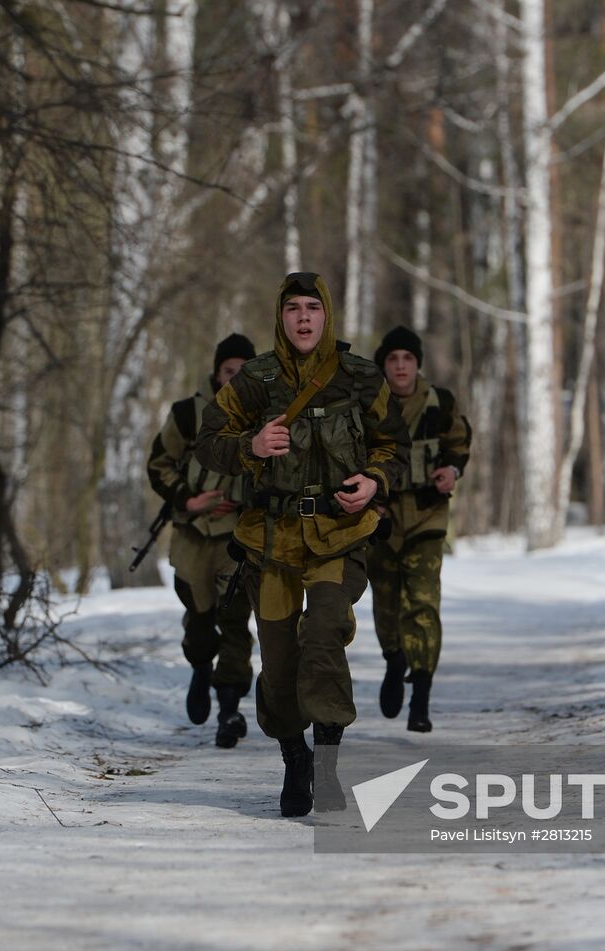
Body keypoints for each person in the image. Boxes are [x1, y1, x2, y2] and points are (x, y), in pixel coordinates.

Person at [195, 272, 409, 818]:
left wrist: (375, 481)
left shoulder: (360, 378)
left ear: (327, 313)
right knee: (280, 658)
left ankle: (329, 761)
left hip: (340, 535)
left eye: (313, 307)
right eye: (294, 308)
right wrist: (251, 445)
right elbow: (207, 441)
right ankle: (295, 754)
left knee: (323, 632)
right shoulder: (255, 381)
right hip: (271, 540)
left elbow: (394, 445)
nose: (305, 318)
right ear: (280, 317)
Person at [147, 333, 258, 748]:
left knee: (234, 622)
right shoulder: (188, 415)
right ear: (216, 373)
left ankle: (229, 708)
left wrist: (244, 502)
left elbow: (276, 475)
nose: (236, 379)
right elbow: (159, 464)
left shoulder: (263, 419)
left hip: (237, 538)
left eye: (245, 372)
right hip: (192, 535)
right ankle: (199, 666)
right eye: (230, 371)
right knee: (199, 619)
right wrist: (188, 499)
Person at [367, 326, 471, 733]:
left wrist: (452, 469)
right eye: (392, 359)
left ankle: (421, 696)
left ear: (417, 364)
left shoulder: (439, 403)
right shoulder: (370, 406)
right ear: (384, 365)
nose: (400, 366)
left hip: (427, 515)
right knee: (387, 603)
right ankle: (395, 660)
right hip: (381, 518)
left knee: (424, 604)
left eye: (407, 359)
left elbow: (459, 444)